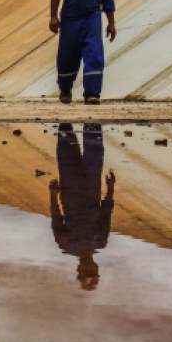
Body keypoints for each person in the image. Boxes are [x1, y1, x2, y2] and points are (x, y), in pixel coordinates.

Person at [49, 123, 115, 290]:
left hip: (69, 189)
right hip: (92, 187)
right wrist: (111, 188)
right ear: (97, 268)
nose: (89, 268)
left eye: (86, 271)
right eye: (92, 271)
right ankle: (92, 118)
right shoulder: (100, 242)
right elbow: (105, 215)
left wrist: (53, 195)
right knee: (95, 149)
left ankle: (65, 114)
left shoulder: (66, 245)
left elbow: (57, 219)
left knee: (66, 145)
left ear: (78, 269)